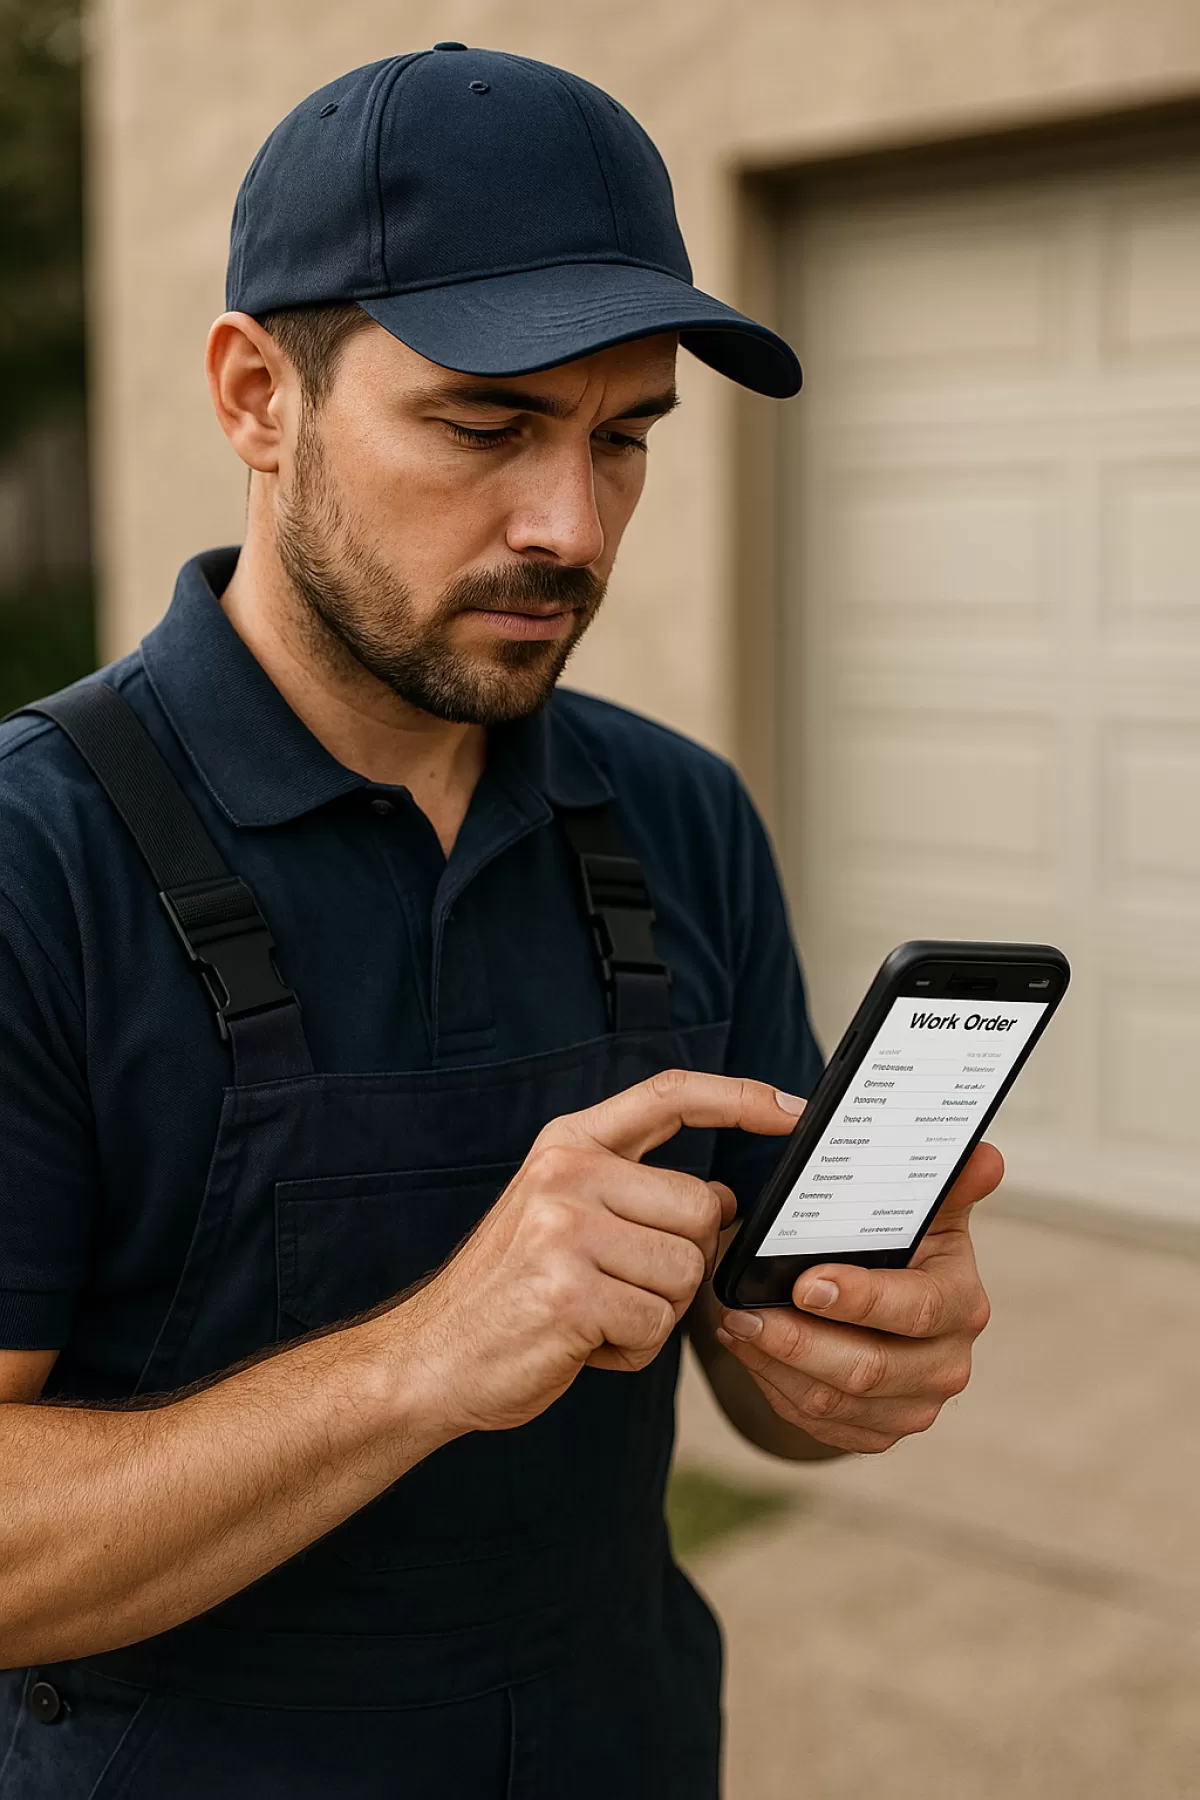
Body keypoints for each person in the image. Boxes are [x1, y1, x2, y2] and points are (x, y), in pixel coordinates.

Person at [0, 43, 996, 1799]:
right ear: (257, 396)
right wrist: (420, 1361)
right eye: (486, 426)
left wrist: (846, 1360)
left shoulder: (678, 814)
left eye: (625, 439)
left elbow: (767, 1390)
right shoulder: (36, 859)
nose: (571, 526)